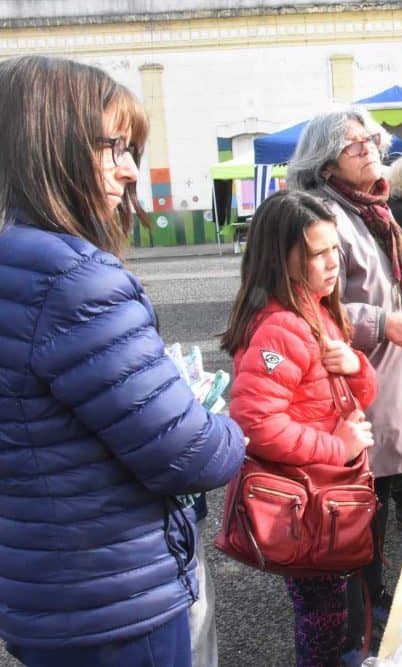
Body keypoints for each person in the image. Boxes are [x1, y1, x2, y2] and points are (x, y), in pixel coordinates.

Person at [0, 55, 245, 666]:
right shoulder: (73, 277)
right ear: (50, 145)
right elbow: (188, 451)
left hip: (40, 587)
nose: (131, 170)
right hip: (115, 598)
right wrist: (230, 426)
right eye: (115, 147)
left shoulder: (15, 261)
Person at [286, 107, 402, 658]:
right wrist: (381, 323)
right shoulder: (323, 214)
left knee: (379, 502)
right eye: (354, 144)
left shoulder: (375, 207)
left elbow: (391, 282)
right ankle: (362, 619)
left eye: (371, 138)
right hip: (359, 387)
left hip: (393, 378)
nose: (369, 147)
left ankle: (373, 604)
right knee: (360, 507)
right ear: (324, 163)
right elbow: (308, 306)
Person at [221, 190, 378, 667]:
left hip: (326, 498)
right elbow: (256, 424)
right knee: (322, 619)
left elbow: (357, 394)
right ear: (281, 258)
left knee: (333, 612)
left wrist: (354, 365)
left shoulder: (318, 309)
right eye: (317, 253)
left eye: (335, 249)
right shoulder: (280, 329)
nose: (333, 263)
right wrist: (338, 445)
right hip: (310, 504)